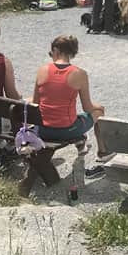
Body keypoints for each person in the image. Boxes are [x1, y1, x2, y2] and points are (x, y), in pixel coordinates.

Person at [33, 35, 107, 166]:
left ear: (56, 50)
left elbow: (35, 103)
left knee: (73, 116)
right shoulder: (80, 73)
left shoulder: (42, 70)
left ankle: (81, 141)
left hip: (43, 129)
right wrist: (99, 107)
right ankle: (103, 152)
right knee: (98, 113)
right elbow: (87, 108)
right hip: (66, 130)